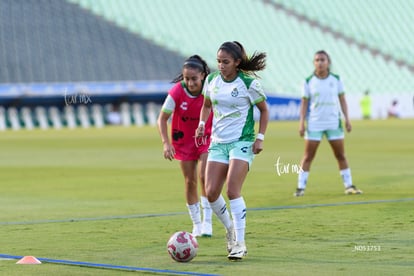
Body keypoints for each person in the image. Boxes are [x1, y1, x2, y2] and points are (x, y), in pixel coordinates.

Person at [196, 41, 269, 260]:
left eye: (225, 62)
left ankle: (240, 243)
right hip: (218, 143)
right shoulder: (211, 81)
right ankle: (229, 229)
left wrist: (260, 138)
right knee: (210, 193)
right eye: (218, 61)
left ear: (237, 62)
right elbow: (207, 105)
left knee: (232, 190)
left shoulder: (248, 83)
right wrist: (201, 125)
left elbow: (264, 111)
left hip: (242, 141)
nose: (221, 65)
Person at [157, 55, 214, 237]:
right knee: (190, 181)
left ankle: (208, 222)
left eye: (194, 79)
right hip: (183, 140)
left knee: (205, 176)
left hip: (205, 137)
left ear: (203, 75)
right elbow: (162, 118)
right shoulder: (176, 92)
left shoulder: (210, 90)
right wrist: (166, 143)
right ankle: (196, 224)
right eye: (186, 79)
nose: (190, 83)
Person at [295, 50, 362, 197]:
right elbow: (304, 103)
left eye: (322, 60)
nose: (320, 62)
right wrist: (301, 123)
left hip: (333, 123)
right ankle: (300, 188)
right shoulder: (308, 81)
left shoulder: (336, 79)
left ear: (328, 62)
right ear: (314, 63)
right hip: (314, 124)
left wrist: (347, 119)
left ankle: (349, 185)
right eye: (317, 60)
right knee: (308, 156)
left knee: (341, 155)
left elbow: (342, 100)